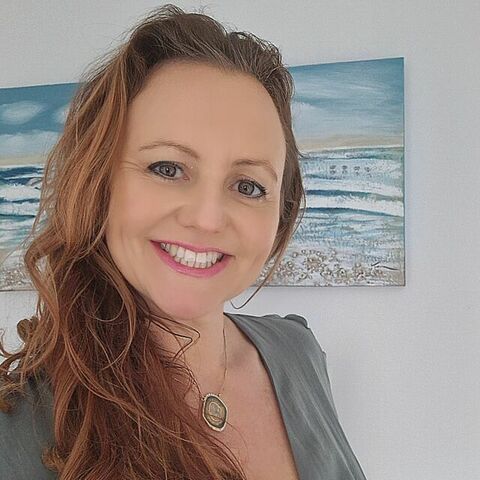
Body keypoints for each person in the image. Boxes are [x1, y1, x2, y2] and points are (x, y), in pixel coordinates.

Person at [0, 4, 367, 479]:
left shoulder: (297, 351)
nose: (207, 218)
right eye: (167, 168)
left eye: (248, 185)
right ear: (98, 183)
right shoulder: (18, 429)